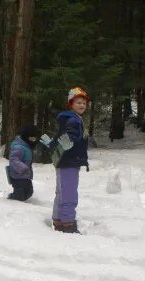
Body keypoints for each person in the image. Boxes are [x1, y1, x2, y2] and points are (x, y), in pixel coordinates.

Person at [41, 87, 90, 234]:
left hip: (66, 161)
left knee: (61, 192)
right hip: (69, 162)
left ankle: (58, 221)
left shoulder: (72, 118)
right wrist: (68, 142)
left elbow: (62, 137)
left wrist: (54, 144)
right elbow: (70, 135)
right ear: (70, 104)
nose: (82, 105)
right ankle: (68, 225)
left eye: (84, 103)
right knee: (69, 194)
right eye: (78, 102)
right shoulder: (73, 120)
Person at [6, 125, 39, 201]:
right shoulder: (19, 147)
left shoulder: (27, 146)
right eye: (32, 138)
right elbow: (13, 159)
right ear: (26, 137)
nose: (34, 140)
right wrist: (23, 167)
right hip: (18, 176)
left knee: (29, 191)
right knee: (19, 195)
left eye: (35, 138)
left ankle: (18, 199)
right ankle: (12, 201)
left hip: (25, 175)